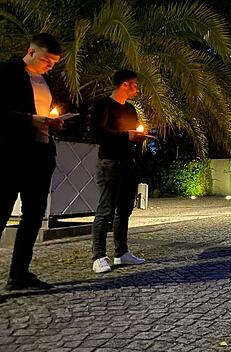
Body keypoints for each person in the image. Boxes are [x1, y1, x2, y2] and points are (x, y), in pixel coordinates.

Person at [0, 33, 64, 290]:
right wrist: (29, 120)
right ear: (31, 51)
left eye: (54, 63)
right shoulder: (7, 73)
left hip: (40, 154)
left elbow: (45, 112)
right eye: (48, 60)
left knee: (34, 216)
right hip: (11, 155)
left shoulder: (48, 81)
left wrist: (53, 121)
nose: (50, 66)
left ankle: (19, 274)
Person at [90, 69, 150, 273]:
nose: (137, 88)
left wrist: (139, 138)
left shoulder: (131, 109)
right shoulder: (104, 105)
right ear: (125, 84)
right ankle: (98, 256)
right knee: (106, 209)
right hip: (109, 162)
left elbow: (131, 134)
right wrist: (126, 136)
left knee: (124, 209)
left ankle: (121, 253)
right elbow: (97, 130)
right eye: (134, 84)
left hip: (128, 163)